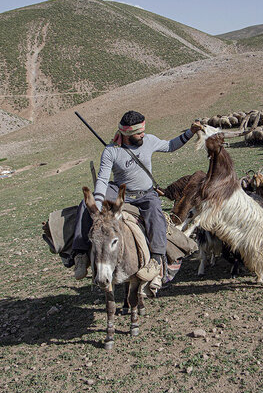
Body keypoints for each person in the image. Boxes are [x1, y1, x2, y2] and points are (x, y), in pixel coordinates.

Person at [72, 110, 202, 287]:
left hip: (145, 193)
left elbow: (170, 146)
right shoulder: (111, 151)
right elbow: (102, 179)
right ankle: (80, 254)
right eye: (138, 132)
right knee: (85, 205)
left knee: (156, 217)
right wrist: (98, 201)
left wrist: (190, 132)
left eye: (143, 130)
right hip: (120, 191)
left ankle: (156, 260)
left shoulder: (148, 140)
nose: (143, 134)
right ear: (126, 133)